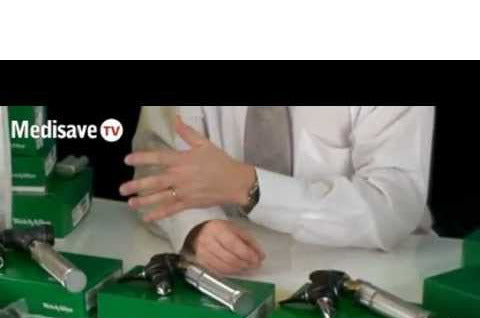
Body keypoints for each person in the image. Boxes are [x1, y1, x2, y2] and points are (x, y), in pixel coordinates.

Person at [120, 106, 435, 275]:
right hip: (231, 272)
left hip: (376, 269)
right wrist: (197, 226)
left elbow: (391, 205)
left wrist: (249, 186)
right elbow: (157, 162)